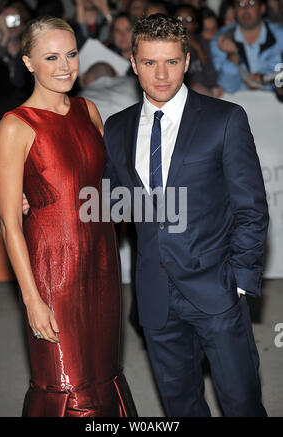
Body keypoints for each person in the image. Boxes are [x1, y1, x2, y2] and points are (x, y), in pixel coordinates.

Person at [103, 14, 269, 417]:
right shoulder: (116, 127)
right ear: (132, 61)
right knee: (180, 407)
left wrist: (241, 281)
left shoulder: (224, 119)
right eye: (149, 63)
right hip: (156, 294)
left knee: (242, 404)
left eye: (172, 62)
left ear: (188, 61)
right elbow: (111, 202)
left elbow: (251, 208)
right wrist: (38, 202)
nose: (161, 74)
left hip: (217, 289)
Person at [0, 16, 137, 417]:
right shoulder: (15, 125)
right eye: (51, 57)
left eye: (71, 54)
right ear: (28, 63)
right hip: (53, 270)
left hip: (101, 262)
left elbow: (107, 186)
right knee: (65, 382)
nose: (64, 66)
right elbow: (9, 224)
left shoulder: (88, 110)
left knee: (103, 370)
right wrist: (32, 300)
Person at [210, 0, 283, 93]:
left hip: (276, 101)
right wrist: (232, 56)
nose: (245, 8)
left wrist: (264, 80)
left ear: (262, 8)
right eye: (240, 4)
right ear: (235, 11)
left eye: (251, 3)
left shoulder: (280, 36)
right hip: (238, 102)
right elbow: (228, 87)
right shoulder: (221, 39)